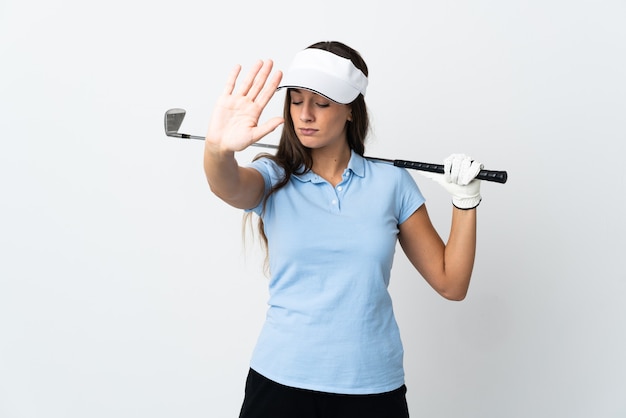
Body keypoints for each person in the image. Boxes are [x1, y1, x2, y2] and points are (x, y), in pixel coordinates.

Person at [203, 41, 484, 418]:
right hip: (280, 383)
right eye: (296, 100)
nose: (305, 115)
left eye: (321, 103)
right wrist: (218, 150)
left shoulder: (392, 183)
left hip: (371, 387)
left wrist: (465, 203)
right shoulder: (273, 177)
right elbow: (228, 185)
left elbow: (452, 283)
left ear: (351, 110)